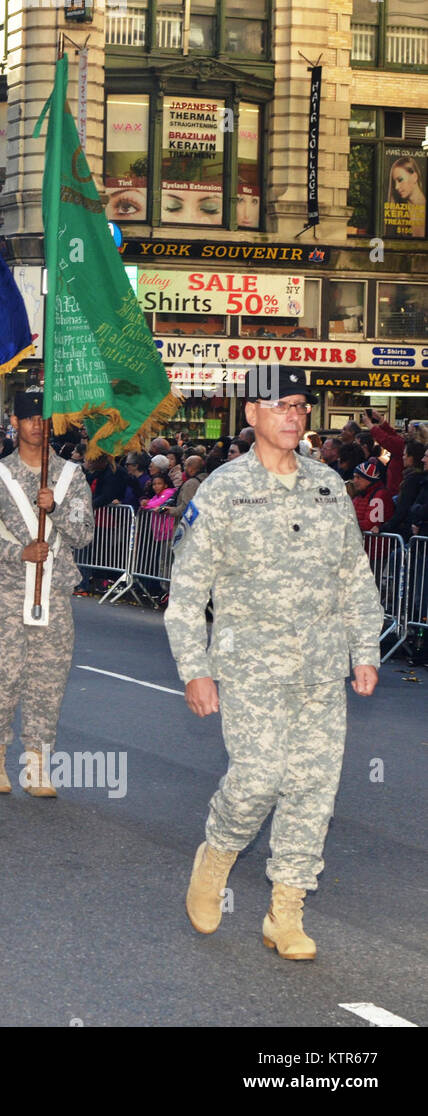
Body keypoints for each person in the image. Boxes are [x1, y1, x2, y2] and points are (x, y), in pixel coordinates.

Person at [166, 369, 381, 961]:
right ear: (251, 416)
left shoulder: (328, 485)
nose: (293, 415)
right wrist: (195, 667)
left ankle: (285, 911)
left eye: (301, 405)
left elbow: (353, 575)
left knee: (313, 789)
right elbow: (187, 593)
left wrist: (365, 649)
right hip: (249, 666)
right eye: (280, 405)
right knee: (259, 778)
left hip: (319, 665)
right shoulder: (222, 490)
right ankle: (218, 853)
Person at [0, 391, 94, 795]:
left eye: (43, 419)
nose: (37, 425)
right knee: (5, 675)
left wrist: (54, 508)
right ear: (15, 423)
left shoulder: (71, 476)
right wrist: (17, 552)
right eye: (29, 418)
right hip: (7, 589)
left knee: (48, 680)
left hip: (53, 590)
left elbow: (84, 533)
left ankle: (37, 763)